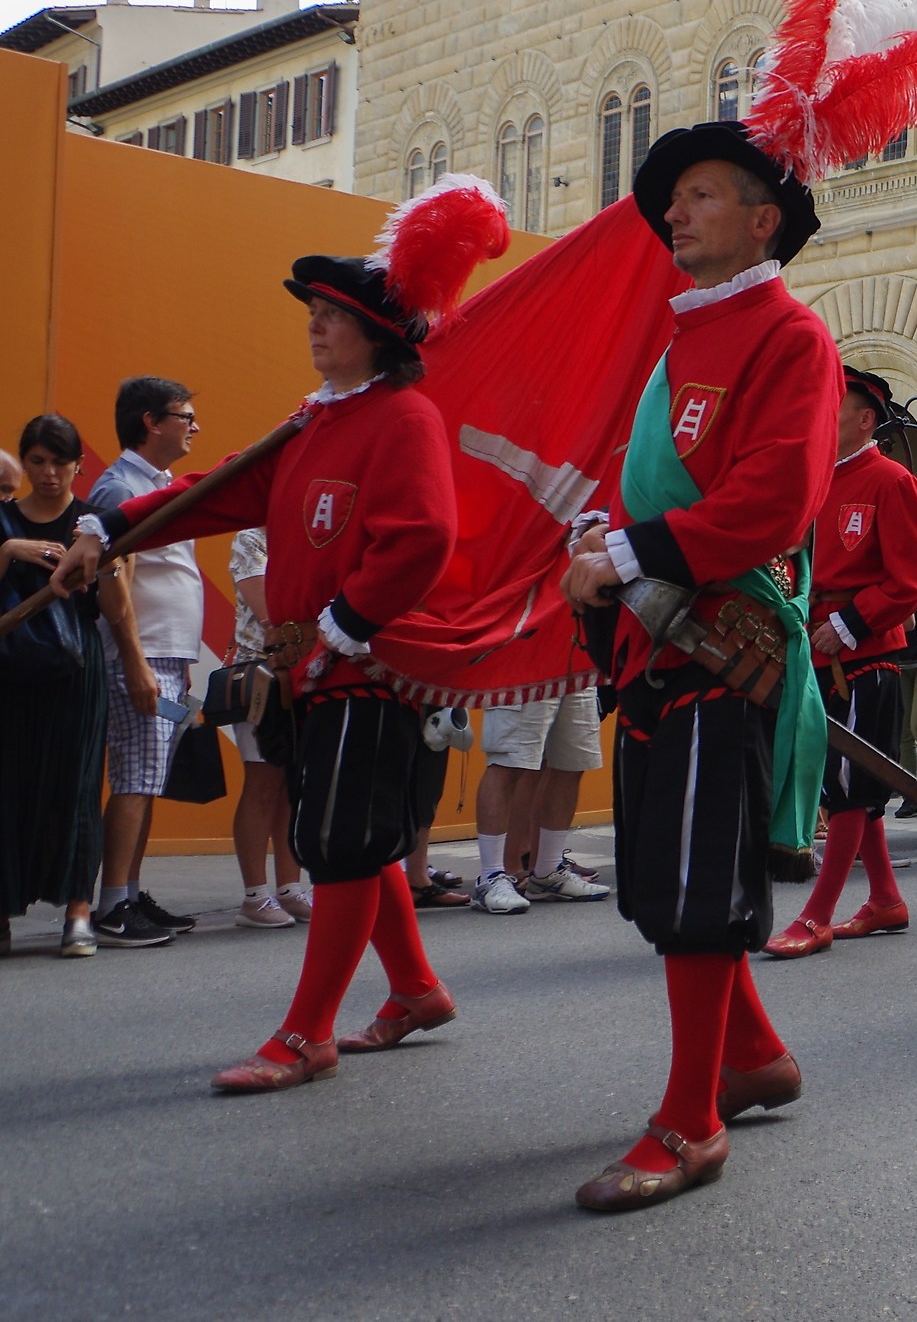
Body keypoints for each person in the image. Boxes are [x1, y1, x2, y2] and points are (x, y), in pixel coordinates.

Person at [55, 182, 509, 1090]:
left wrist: (346, 623)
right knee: (352, 837)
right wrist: (110, 528)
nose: (314, 324)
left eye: (331, 313)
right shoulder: (317, 419)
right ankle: (415, 988)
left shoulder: (403, 416)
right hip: (319, 662)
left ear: (377, 332)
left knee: (341, 840)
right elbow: (220, 488)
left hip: (367, 660)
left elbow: (422, 537)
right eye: (314, 311)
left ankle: (309, 1033)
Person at [558, 121, 836, 1209]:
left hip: (723, 648)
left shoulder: (792, 336)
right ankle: (755, 1054)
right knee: (672, 884)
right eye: (672, 198)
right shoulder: (681, 344)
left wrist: (625, 550)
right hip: (661, 639)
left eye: (702, 193)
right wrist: (605, 535)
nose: (674, 211)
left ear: (762, 220)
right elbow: (657, 493)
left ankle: (691, 1122)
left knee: (695, 893)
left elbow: (771, 502)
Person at [763, 367, 917, 957]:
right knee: (846, 782)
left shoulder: (891, 480)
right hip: (814, 646)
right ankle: (885, 898)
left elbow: (916, 574)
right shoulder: (813, 482)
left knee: (847, 787)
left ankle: (816, 915)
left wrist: (849, 623)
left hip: (865, 655)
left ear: (864, 420)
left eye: (833, 407)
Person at [85, 375, 206, 945]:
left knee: (150, 779)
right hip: (140, 654)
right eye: (184, 417)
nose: (194, 428)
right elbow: (115, 587)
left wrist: (180, 659)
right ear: (151, 423)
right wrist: (134, 660)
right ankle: (111, 905)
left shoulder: (157, 482)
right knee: (134, 777)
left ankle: (130, 892)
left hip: (166, 655)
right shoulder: (118, 491)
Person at [2, 415, 127, 958]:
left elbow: (117, 613)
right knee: (8, 788)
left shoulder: (95, 523)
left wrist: (107, 567)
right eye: (37, 461)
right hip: (10, 673)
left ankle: (79, 909)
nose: (49, 473)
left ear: (79, 463)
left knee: (75, 789)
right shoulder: (3, 521)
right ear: (24, 464)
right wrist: (10, 554)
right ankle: (4, 910)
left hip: (77, 673)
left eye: (60, 461)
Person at [224, 527, 311, 928]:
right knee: (262, 781)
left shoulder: (304, 534)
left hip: (301, 672)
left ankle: (290, 888)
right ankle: (254, 895)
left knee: (292, 784)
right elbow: (270, 614)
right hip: (258, 673)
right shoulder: (251, 538)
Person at [469, 687, 612, 913]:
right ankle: (490, 877)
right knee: (507, 761)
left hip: (578, 665)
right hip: (526, 665)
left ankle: (548, 872)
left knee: (572, 763)